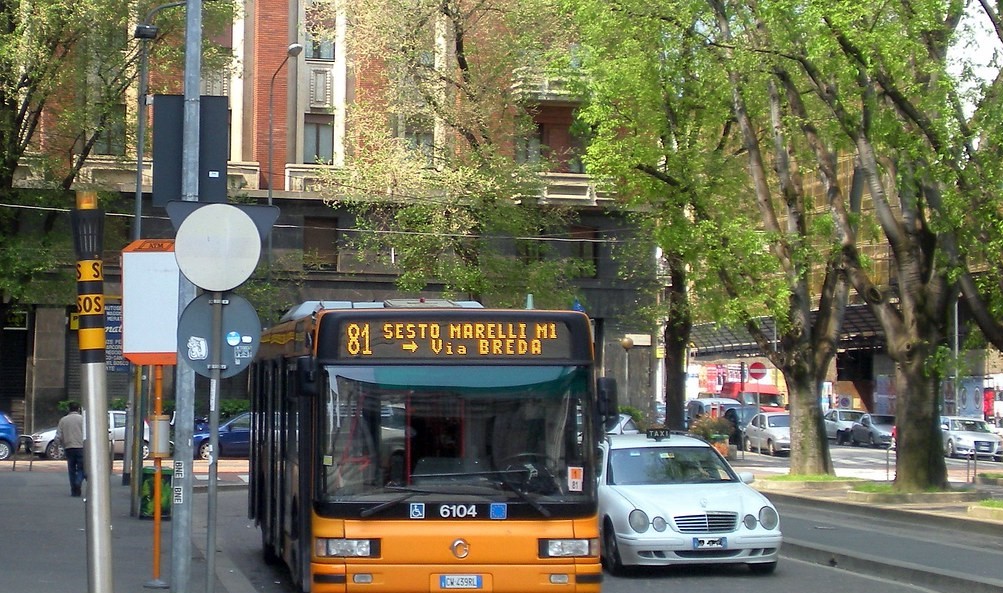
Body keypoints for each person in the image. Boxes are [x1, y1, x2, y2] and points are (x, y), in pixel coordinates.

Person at [56, 402, 85, 497]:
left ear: (69, 409)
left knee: (71, 469)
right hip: (81, 447)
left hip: (68, 447)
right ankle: (78, 481)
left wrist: (58, 445)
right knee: (82, 468)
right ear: (78, 409)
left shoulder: (63, 420)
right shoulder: (83, 419)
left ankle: (74, 489)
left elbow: (58, 436)